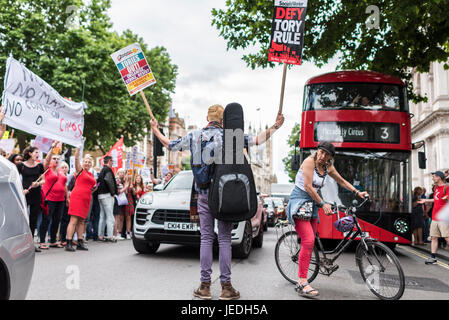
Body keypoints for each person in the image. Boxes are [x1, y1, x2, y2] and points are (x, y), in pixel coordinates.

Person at [150, 103, 284, 300]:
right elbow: (257, 140)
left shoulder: (194, 136)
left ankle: (204, 286)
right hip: (223, 195)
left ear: (207, 119)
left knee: (206, 238)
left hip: (202, 194)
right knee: (224, 240)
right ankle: (226, 287)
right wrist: (275, 126)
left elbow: (170, 145)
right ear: (223, 121)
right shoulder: (231, 137)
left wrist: (155, 129)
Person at [286, 141, 369, 298]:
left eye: (326, 154)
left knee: (312, 241)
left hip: (313, 203)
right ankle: (302, 282)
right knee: (308, 240)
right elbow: (308, 187)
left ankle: (307, 263)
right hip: (300, 201)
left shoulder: (327, 166)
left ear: (330, 157)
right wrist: (323, 203)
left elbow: (341, 181)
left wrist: (357, 192)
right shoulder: (309, 161)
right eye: (321, 152)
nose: (322, 156)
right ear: (317, 151)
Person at [65, 150, 97, 252]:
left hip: (87, 198)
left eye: (89, 162)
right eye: (85, 161)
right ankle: (68, 242)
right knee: (73, 220)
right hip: (77, 197)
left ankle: (80, 242)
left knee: (82, 221)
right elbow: (76, 160)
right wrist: (77, 152)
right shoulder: (80, 171)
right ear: (82, 163)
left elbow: (92, 187)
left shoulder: (91, 175)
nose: (87, 163)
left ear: (91, 164)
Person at [39, 142, 68, 249]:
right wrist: (53, 147)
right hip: (49, 199)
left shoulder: (61, 171)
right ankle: (42, 241)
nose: (56, 160)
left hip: (60, 199)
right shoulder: (47, 169)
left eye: (57, 158)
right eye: (54, 158)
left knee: (57, 220)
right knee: (46, 219)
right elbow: (46, 160)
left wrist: (67, 198)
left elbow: (64, 185)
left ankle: (52, 240)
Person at [17, 146, 45, 252]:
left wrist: (38, 183)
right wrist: (21, 190)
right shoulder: (21, 165)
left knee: (33, 219)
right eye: (36, 152)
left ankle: (31, 244)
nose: (38, 154)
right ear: (30, 153)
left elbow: (44, 180)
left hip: (36, 195)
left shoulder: (39, 166)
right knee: (23, 219)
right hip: (24, 194)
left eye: (38, 152)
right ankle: (20, 244)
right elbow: (15, 179)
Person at [418, 171, 449, 264]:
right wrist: (425, 200)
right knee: (434, 237)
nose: (433, 178)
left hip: (443, 218)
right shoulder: (436, 187)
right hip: (435, 217)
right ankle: (433, 258)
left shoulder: (447, 187)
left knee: (447, 237)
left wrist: (446, 198)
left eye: (434, 176)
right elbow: (436, 199)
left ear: (439, 177)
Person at [97, 156, 118, 242]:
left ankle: (100, 235)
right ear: (109, 161)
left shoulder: (102, 170)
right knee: (110, 216)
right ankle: (110, 236)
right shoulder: (108, 170)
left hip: (100, 195)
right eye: (112, 161)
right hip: (107, 195)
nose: (113, 163)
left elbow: (98, 182)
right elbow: (109, 181)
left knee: (102, 216)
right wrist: (113, 192)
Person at [59, 161, 71, 246]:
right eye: (62, 167)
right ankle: (62, 238)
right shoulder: (58, 176)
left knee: (67, 219)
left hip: (69, 199)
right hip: (60, 198)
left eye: (65, 167)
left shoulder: (70, 177)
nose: (64, 169)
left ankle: (66, 237)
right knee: (62, 219)